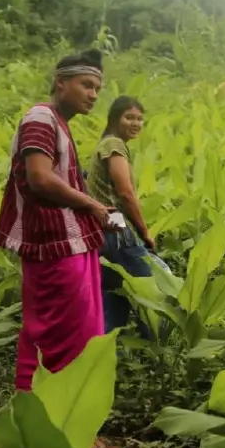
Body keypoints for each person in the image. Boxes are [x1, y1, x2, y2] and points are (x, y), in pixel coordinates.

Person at [0, 48, 116, 392]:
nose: (93, 94)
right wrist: (92, 205)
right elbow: (40, 179)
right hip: (54, 245)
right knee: (57, 336)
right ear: (60, 83)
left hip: (71, 241)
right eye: (86, 85)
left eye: (97, 89)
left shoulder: (56, 122)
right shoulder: (40, 117)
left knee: (75, 333)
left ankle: (63, 420)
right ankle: (44, 417)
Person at [88, 96, 155, 336]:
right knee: (151, 290)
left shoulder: (105, 143)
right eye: (129, 117)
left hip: (101, 232)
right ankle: (157, 349)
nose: (136, 123)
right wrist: (145, 232)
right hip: (117, 231)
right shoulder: (114, 145)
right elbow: (125, 193)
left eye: (139, 119)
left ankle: (104, 352)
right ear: (115, 119)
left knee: (114, 295)